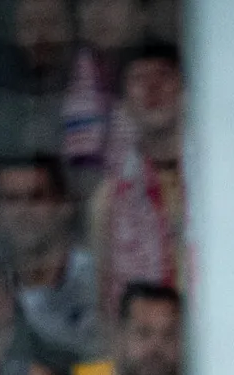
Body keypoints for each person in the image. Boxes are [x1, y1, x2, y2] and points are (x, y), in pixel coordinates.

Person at [88, 42, 186, 319]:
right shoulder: (109, 200)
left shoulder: (223, 182)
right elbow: (106, 304)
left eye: (164, 75)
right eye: (139, 79)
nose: (152, 88)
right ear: (124, 102)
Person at [0, 155, 98, 366]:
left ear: (65, 204)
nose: (23, 212)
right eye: (11, 199)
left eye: (36, 197)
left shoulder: (100, 279)